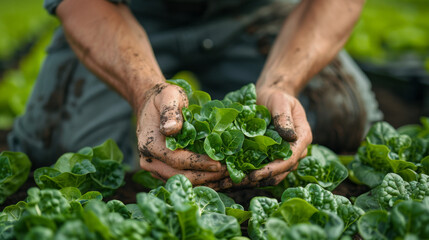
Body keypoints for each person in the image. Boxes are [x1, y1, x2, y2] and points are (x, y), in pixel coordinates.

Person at [8, 0, 382, 190]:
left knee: (342, 116)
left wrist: (281, 82)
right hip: (129, 12)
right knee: (62, 148)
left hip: (253, 9)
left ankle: (234, 93)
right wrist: (146, 90)